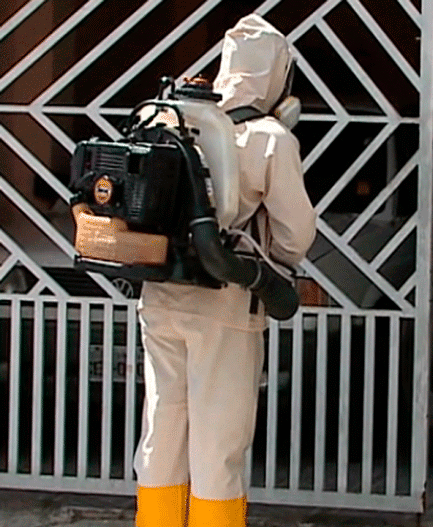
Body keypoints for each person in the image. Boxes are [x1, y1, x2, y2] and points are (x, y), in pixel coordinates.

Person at [133, 15, 316, 527]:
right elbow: (294, 237)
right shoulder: (270, 138)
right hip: (226, 306)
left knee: (162, 430)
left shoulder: (168, 119)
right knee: (219, 445)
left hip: (161, 297)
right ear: (278, 75)